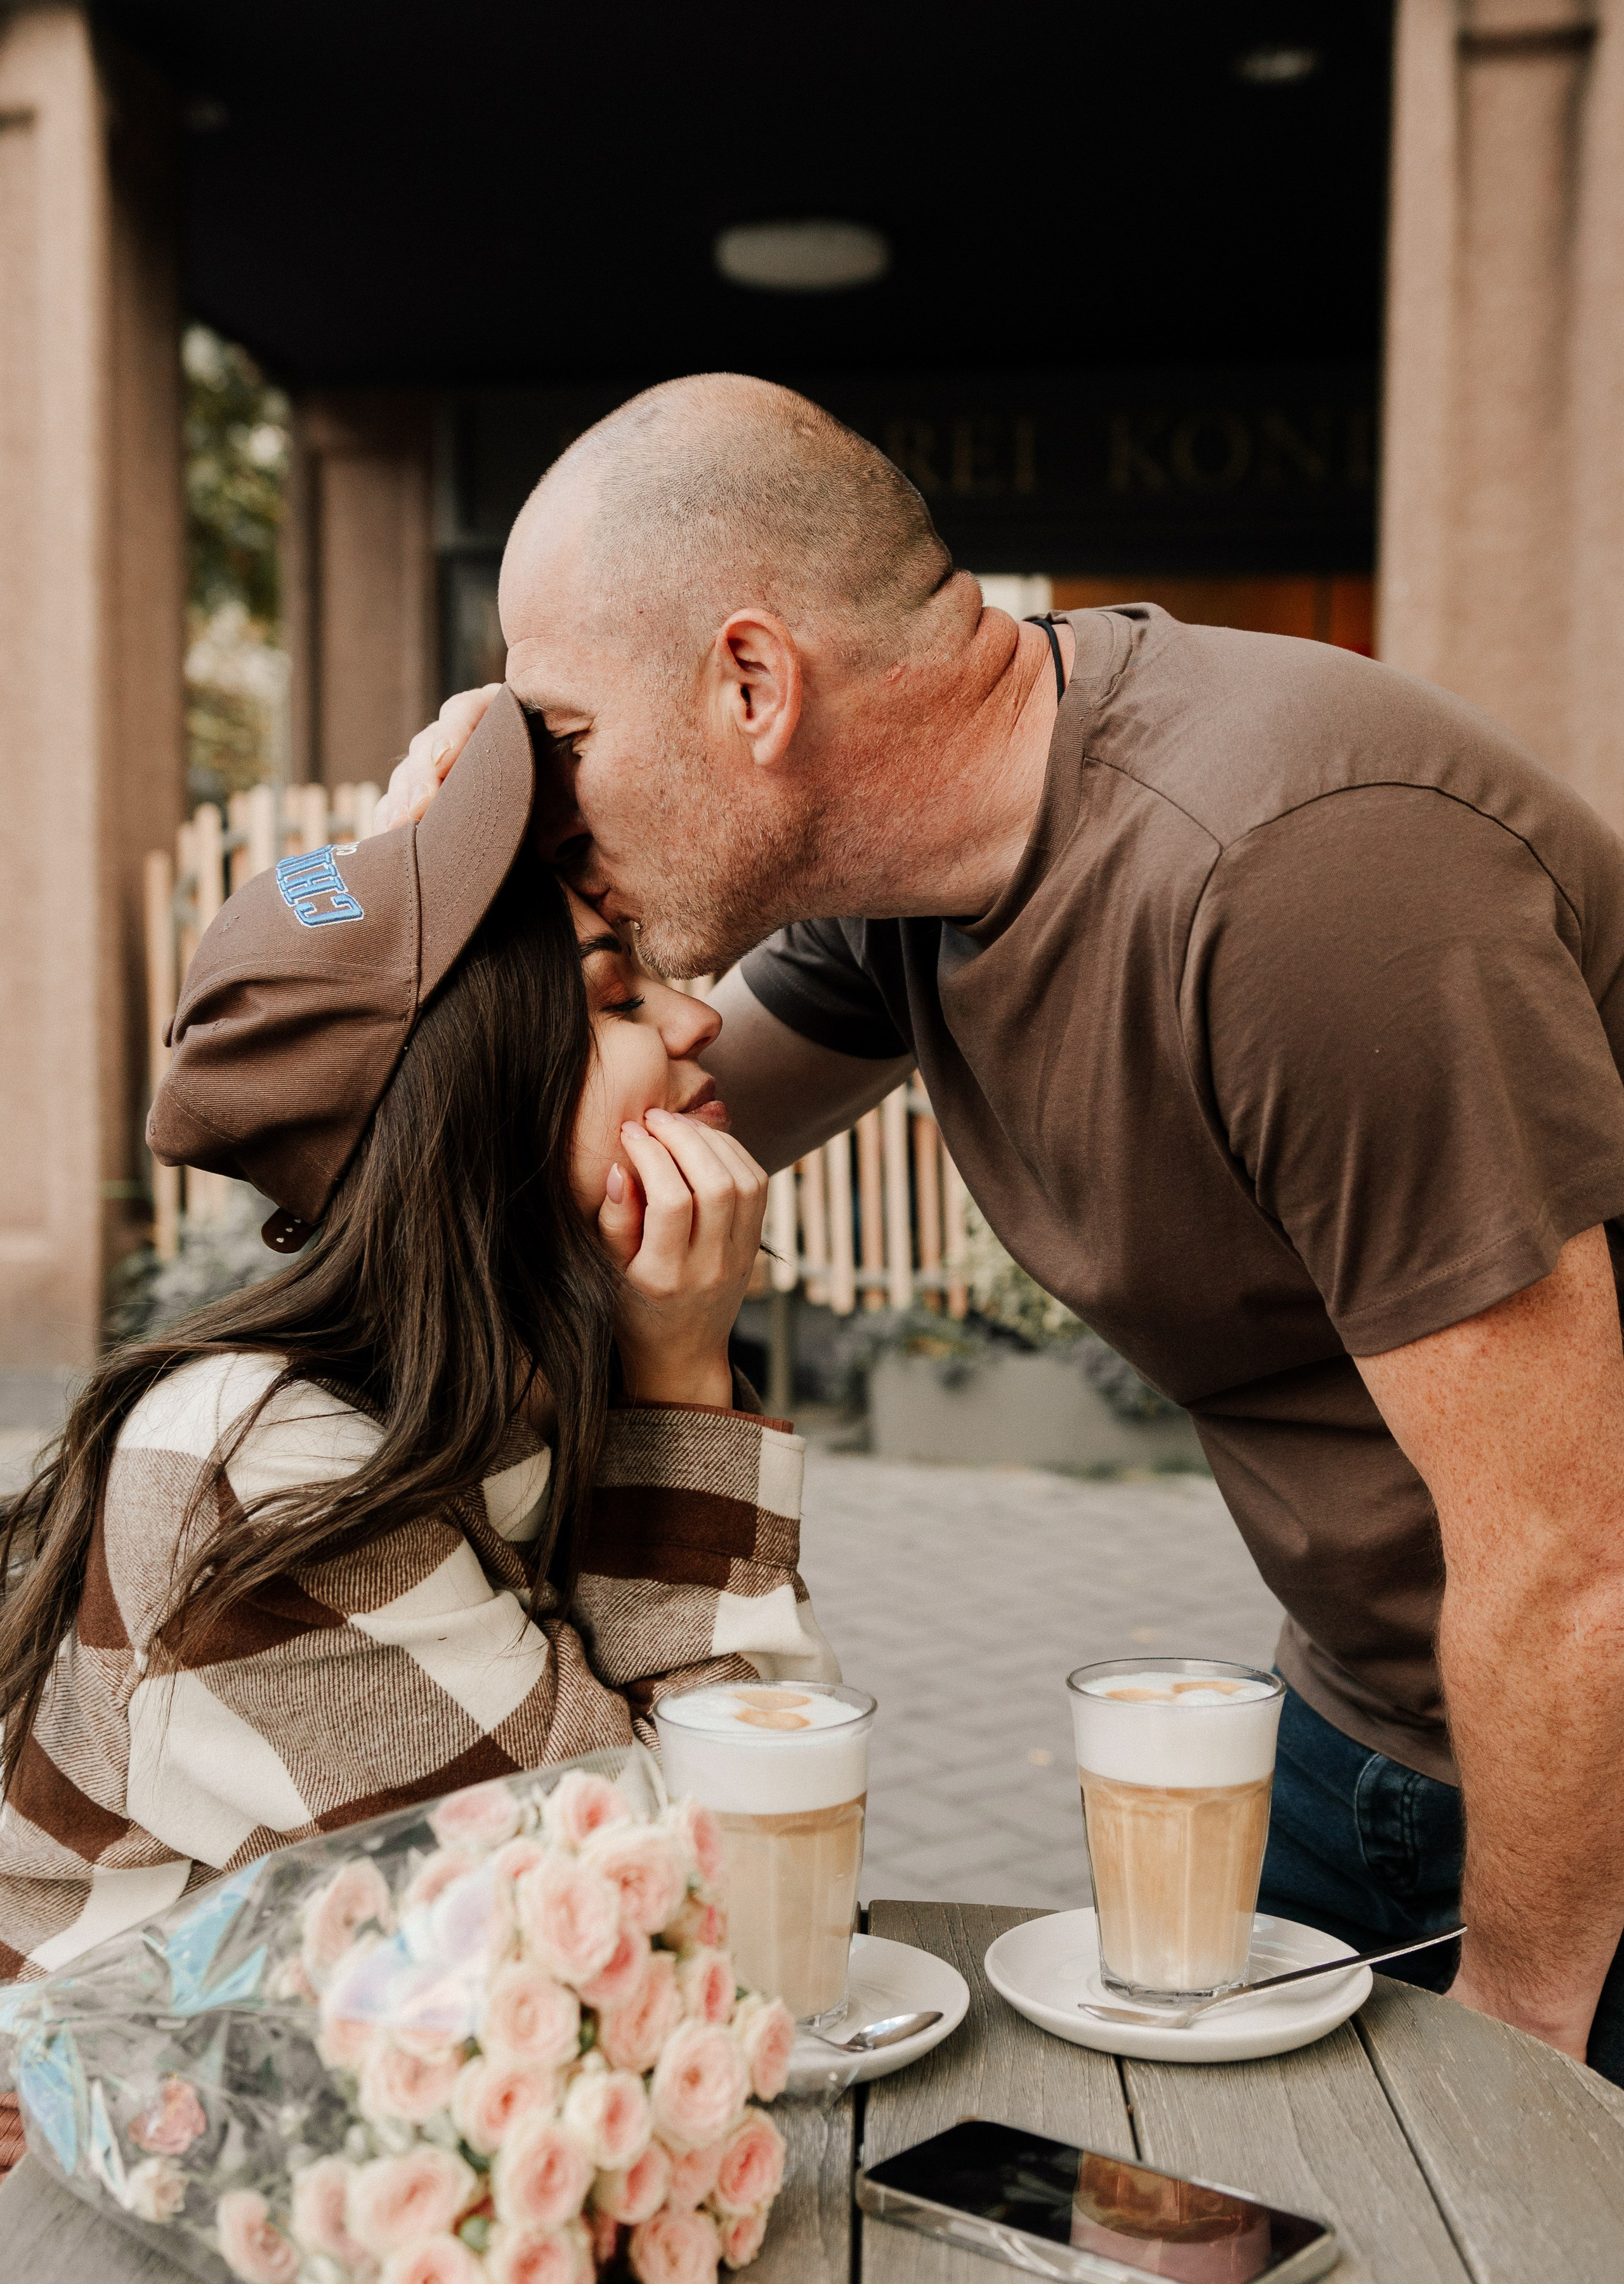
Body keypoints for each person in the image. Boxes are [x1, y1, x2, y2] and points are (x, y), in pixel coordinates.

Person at [384, 374, 1624, 2084]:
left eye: (568, 743)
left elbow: (1574, 1562)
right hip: (1357, 1731)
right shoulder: (907, 894)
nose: (558, 808)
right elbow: (601, 1146)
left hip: (1586, 1778)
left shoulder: (1296, 884)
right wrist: (427, 873)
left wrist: (1528, 2034)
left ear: (754, 681)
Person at [0, 690, 833, 2002]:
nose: (696, 1023)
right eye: (617, 1001)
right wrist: (681, 1395)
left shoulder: (517, 1389)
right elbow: (698, 1914)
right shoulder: (262, 1469)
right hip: (80, 2167)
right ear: (471, 1103)